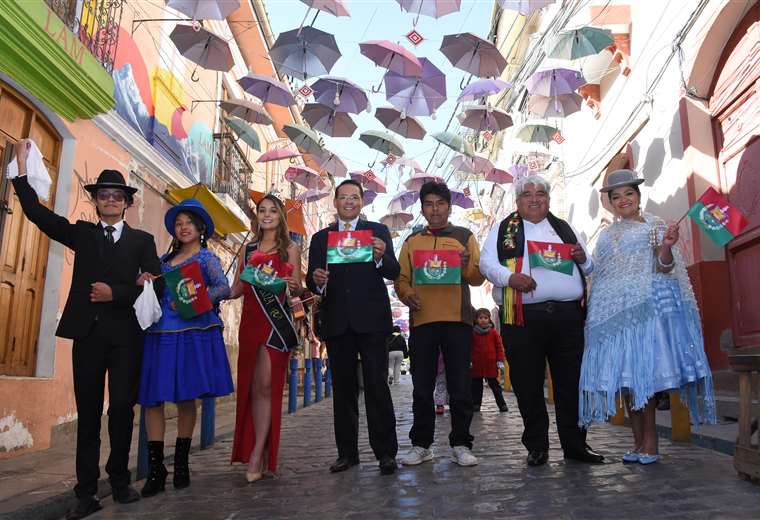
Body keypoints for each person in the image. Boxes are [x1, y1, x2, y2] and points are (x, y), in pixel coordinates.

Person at [9, 139, 161, 519]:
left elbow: (156, 285)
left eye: (117, 196)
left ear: (128, 202)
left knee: (123, 409)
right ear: (96, 201)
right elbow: (37, 214)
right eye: (104, 195)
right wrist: (22, 169)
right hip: (88, 336)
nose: (110, 200)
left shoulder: (144, 241)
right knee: (89, 414)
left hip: (127, 337)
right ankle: (86, 492)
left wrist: (117, 292)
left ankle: (120, 481)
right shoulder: (82, 233)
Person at [578, 169, 716, 464]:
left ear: (639, 196)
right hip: (616, 316)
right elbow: (601, 272)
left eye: (629, 193)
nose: (623, 200)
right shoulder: (606, 235)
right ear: (611, 203)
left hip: (645, 313)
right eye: (616, 196)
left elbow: (664, 266)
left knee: (644, 379)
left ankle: (651, 444)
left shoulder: (654, 225)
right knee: (628, 381)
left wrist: (667, 244)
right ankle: (637, 443)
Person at [480, 174, 604, 467]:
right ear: (518, 200)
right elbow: (486, 264)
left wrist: (581, 256)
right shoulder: (502, 229)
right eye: (527, 194)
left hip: (567, 317)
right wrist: (510, 278)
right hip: (522, 317)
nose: (534, 199)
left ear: (548, 199)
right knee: (527, 384)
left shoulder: (565, 227)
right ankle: (537, 446)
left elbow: (588, 267)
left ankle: (575, 445)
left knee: (571, 383)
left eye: (540, 194)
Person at [137, 199, 234, 497]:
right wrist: (147, 281)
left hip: (193, 331)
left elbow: (224, 288)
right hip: (161, 331)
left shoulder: (207, 259)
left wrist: (200, 294)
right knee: (152, 398)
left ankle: (180, 462)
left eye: (188, 222)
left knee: (185, 396)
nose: (183, 228)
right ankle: (156, 468)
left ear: (200, 227)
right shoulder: (163, 261)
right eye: (178, 224)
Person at [306, 179, 399, 476]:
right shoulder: (321, 238)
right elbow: (312, 280)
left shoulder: (378, 232)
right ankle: (347, 453)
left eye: (354, 197)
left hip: (372, 322)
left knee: (377, 387)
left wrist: (380, 256)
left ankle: (385, 453)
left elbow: (394, 271)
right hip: (337, 322)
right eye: (343, 197)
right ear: (335, 202)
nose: (349, 201)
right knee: (343, 390)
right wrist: (317, 280)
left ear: (362, 202)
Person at [395, 181, 484, 467]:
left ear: (449, 207)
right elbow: (401, 279)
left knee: (460, 386)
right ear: (422, 209)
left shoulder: (465, 236)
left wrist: (468, 263)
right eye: (429, 204)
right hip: (422, 321)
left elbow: (476, 278)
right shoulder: (412, 241)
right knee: (422, 387)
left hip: (458, 320)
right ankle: (422, 445)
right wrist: (407, 294)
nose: (435, 209)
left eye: (440, 203)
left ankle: (461, 443)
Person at [230, 194, 303, 482]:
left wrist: (295, 285)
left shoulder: (290, 250)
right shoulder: (246, 250)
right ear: (257, 215)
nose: (267, 214)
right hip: (250, 322)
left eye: (273, 210)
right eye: (262, 210)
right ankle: (254, 449)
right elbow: (237, 288)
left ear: (280, 217)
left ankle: (258, 452)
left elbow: (296, 290)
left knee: (266, 386)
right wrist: (208, 294)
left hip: (276, 324)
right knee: (253, 388)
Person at [471, 308, 509, 413]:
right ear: (476, 319)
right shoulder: (473, 333)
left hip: (490, 364)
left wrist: (500, 360)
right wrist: (469, 360)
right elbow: (469, 348)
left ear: (489, 319)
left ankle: (502, 404)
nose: (483, 320)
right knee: (476, 388)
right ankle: (476, 405)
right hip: (477, 364)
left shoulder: (493, 333)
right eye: (480, 318)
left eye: (485, 318)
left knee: (495, 387)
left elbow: (499, 347)